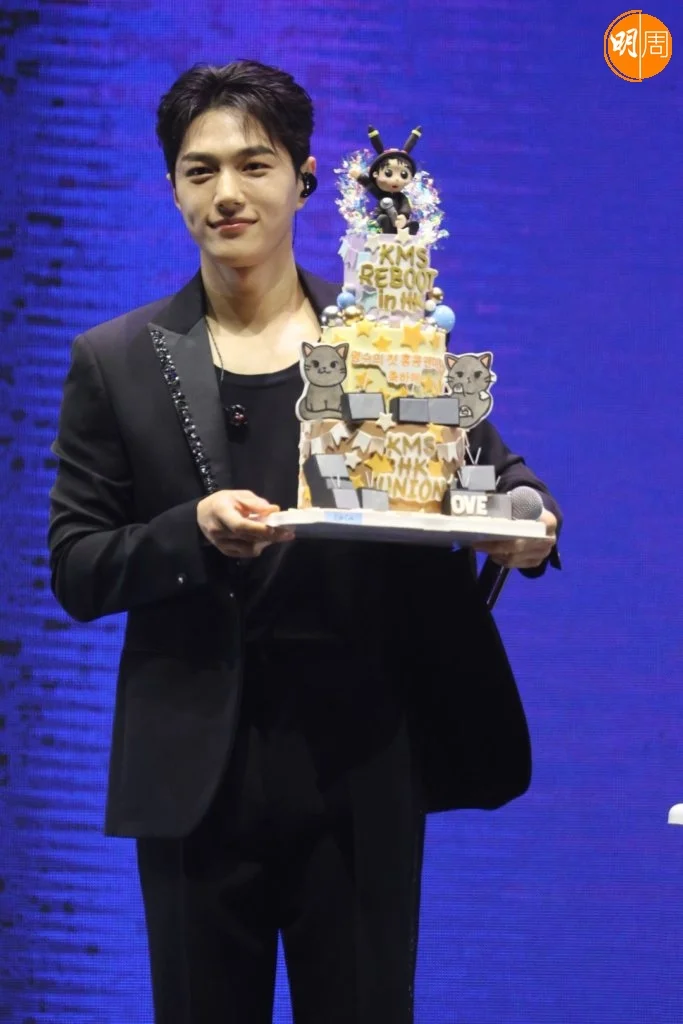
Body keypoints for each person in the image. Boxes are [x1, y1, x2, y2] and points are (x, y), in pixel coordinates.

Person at [48, 60, 561, 1024]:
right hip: (196, 777)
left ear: (305, 178)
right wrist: (190, 531)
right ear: (172, 189)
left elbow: (509, 483)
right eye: (200, 171)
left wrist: (526, 530)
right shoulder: (115, 362)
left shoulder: (387, 337)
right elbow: (77, 566)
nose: (227, 193)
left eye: (254, 165)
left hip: (363, 761)